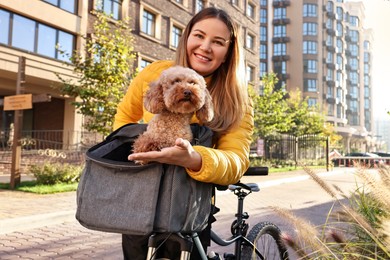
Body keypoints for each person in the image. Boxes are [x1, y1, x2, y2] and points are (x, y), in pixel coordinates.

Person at [113, 7, 254, 259]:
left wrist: (195, 159)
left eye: (218, 42)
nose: (205, 47)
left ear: (228, 52)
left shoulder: (237, 100)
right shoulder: (154, 73)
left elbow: (237, 160)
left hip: (191, 205)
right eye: (199, 36)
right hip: (141, 198)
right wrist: (133, 154)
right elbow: (124, 118)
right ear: (187, 37)